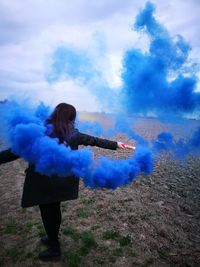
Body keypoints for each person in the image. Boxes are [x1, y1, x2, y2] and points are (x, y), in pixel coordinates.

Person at [0, 103, 126, 261]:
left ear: (55, 113)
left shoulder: (41, 131)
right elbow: (94, 140)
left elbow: (16, 151)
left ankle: (54, 248)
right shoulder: (73, 133)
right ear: (71, 118)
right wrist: (116, 145)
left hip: (43, 181)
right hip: (62, 182)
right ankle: (53, 238)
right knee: (54, 209)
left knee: (47, 213)